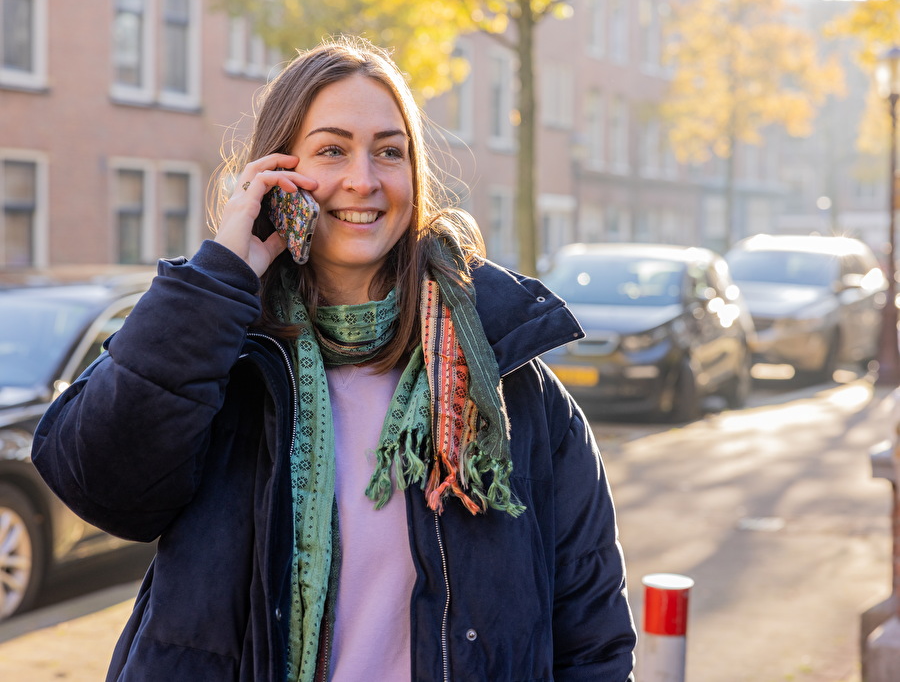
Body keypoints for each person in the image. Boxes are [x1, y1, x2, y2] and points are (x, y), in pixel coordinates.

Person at [32, 36, 636, 682]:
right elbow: (101, 483)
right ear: (278, 173)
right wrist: (219, 277)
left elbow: (592, 639)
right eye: (331, 149)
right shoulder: (222, 360)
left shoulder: (512, 386)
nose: (364, 180)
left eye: (388, 152)